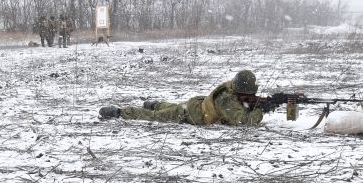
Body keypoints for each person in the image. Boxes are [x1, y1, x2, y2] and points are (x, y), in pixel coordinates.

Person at [99, 70, 264, 126]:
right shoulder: (226, 99)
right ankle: (119, 112)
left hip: (195, 105)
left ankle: (156, 104)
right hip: (190, 114)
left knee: (172, 108)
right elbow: (242, 121)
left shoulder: (233, 91)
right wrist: (260, 111)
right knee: (157, 117)